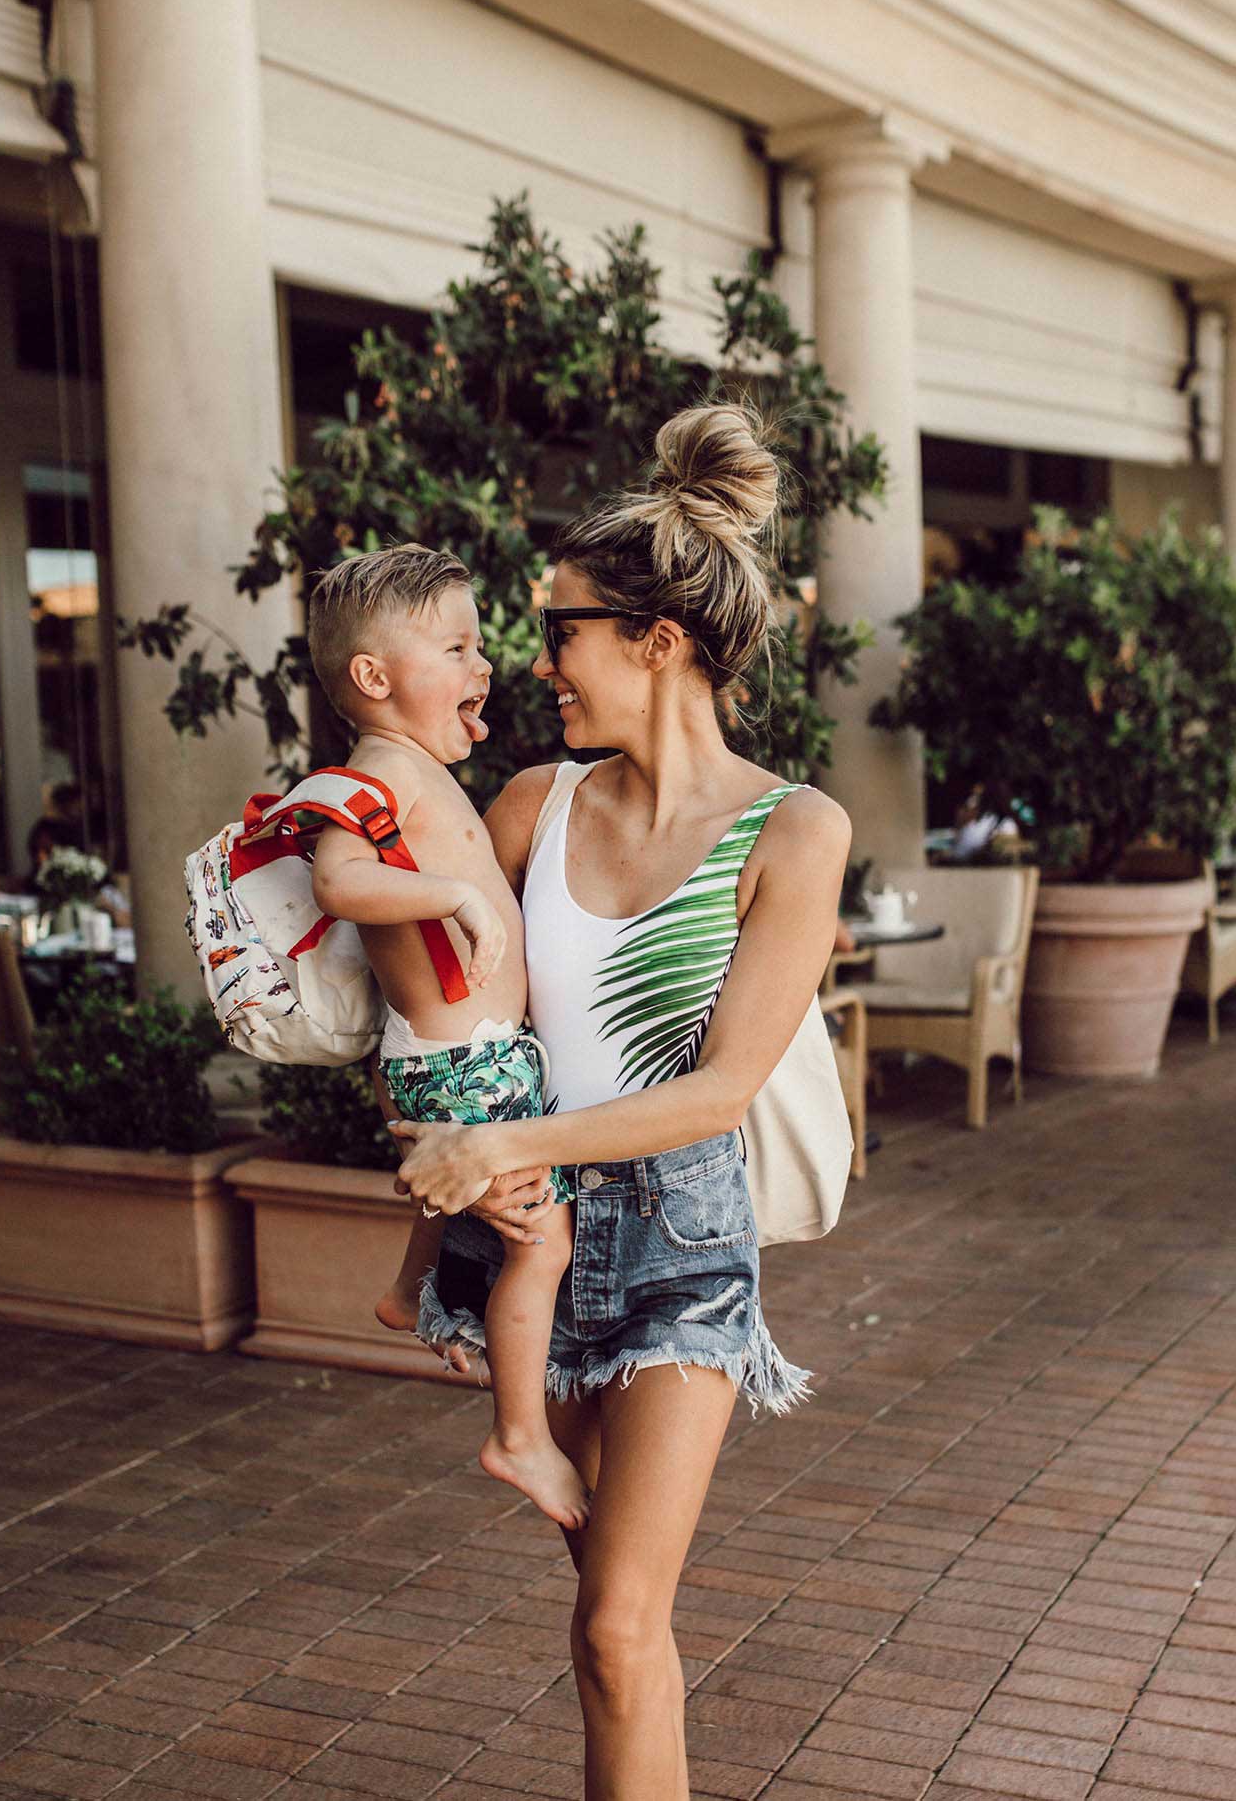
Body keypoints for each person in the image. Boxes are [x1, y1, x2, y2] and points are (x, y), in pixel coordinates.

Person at [392, 402, 850, 1799]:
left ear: (657, 640)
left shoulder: (793, 829)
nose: (541, 662)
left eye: (564, 630)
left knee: (616, 1621)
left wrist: (499, 1141)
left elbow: (718, 1091)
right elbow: (444, 1007)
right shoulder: (532, 806)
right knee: (612, 1626)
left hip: (678, 1245)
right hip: (538, 1239)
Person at [305, 544, 589, 1531]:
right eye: (456, 649)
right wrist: (455, 896)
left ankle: (408, 1287)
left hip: (463, 1055)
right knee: (541, 1244)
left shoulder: (414, 767)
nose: (485, 667)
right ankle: (520, 1435)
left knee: (496, 1217)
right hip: (465, 1062)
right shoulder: (379, 770)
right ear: (374, 677)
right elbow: (338, 878)